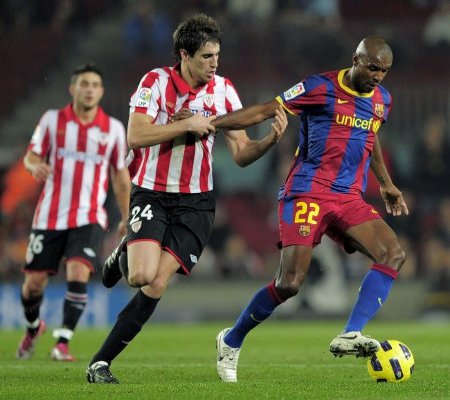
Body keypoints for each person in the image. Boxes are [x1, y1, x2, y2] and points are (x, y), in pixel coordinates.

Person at [85, 13, 287, 384]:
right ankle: (126, 249)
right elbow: (136, 136)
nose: (215, 64)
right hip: (153, 192)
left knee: (156, 283)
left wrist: (268, 142)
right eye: (207, 56)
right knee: (141, 274)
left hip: (196, 203)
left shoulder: (224, 90)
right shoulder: (155, 83)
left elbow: (241, 153)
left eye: (217, 56)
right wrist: (187, 123)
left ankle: (100, 363)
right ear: (184, 54)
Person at [212, 35, 409, 382]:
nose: (378, 76)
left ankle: (350, 333)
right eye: (373, 67)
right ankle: (231, 339)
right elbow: (265, 109)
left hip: (348, 197)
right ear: (356, 59)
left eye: (385, 71)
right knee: (289, 283)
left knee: (393, 253)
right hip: (307, 193)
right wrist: (212, 124)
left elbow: (371, 133)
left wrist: (386, 182)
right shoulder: (319, 87)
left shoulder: (382, 100)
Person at [16, 64, 130, 362]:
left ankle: (62, 342)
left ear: (101, 91)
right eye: (84, 84)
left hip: (89, 215)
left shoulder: (113, 130)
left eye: (95, 84)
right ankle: (32, 328)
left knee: (78, 271)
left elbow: (120, 176)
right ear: (73, 89)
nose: (89, 89)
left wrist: (126, 216)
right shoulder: (53, 121)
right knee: (33, 285)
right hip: (50, 217)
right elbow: (31, 155)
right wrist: (33, 166)